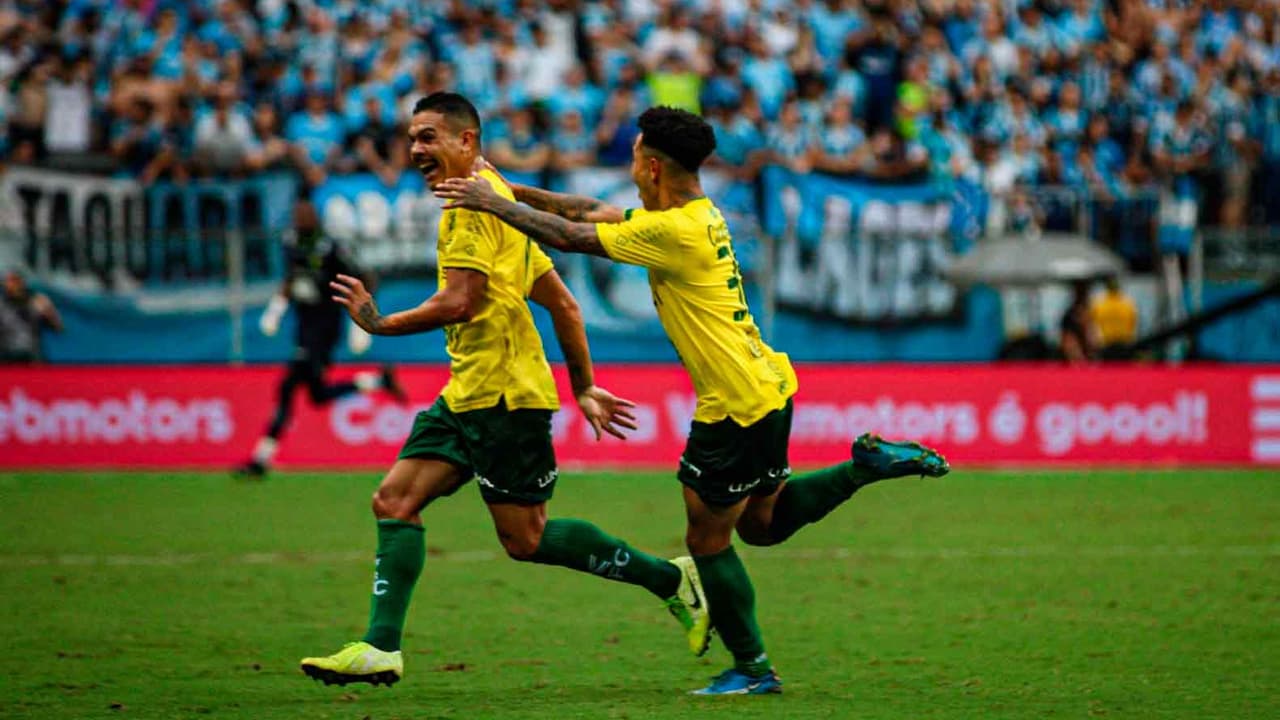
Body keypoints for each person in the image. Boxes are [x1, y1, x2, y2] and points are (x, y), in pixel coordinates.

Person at [435, 106, 951, 696]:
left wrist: (492, 204)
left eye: (633, 156)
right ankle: (862, 468)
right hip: (767, 387)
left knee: (708, 541)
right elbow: (588, 211)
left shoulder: (671, 232)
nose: (630, 167)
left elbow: (570, 236)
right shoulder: (695, 217)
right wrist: (505, 186)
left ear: (651, 166)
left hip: (732, 406)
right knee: (761, 522)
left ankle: (753, 668)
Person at [300, 93, 709, 688]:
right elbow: (563, 302)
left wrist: (379, 323)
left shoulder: (475, 208)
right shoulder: (494, 194)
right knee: (394, 501)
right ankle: (380, 647)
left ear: (468, 141)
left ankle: (672, 580)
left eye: (430, 136)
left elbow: (460, 301)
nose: (417, 149)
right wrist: (585, 388)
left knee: (527, 538)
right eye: (412, 137)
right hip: (469, 390)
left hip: (504, 397)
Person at [233, 198, 406, 479]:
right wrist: (276, 309)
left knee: (289, 385)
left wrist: (361, 324)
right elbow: (292, 277)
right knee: (317, 395)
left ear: (316, 218)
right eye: (296, 214)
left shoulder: (331, 247)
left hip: (326, 327)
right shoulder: (291, 242)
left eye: (305, 215)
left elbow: (365, 277)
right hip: (304, 325)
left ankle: (261, 459)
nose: (300, 219)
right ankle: (376, 381)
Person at [0, 270, 62, 363]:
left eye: (17, 281)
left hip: (32, 356)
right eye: (10, 281)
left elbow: (58, 328)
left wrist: (49, 311)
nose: (14, 285)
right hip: (7, 355)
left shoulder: (36, 301)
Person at [1089, 275, 1138, 351]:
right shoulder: (1128, 304)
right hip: (1125, 345)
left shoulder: (1099, 304)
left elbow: (1092, 324)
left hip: (1106, 345)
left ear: (1107, 288)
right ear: (1118, 288)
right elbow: (1133, 323)